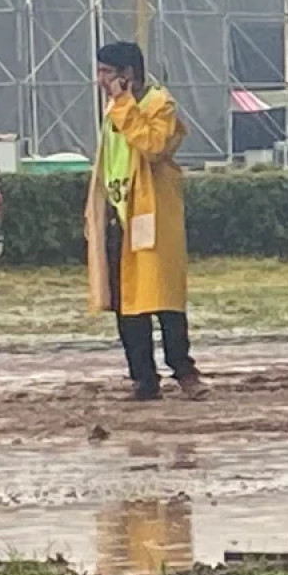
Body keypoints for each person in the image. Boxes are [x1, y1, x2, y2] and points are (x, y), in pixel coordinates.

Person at [84, 41, 207, 402]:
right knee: (127, 303)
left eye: (107, 73)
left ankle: (184, 371)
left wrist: (124, 106)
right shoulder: (114, 110)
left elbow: (153, 147)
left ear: (128, 75)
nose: (101, 80)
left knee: (164, 298)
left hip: (152, 215)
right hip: (121, 214)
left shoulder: (158, 104)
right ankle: (143, 377)